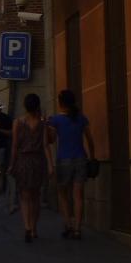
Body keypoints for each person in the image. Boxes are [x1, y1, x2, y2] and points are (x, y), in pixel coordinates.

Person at [47, 89, 95, 239]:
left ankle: (68, 224)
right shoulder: (82, 119)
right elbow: (90, 140)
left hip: (64, 160)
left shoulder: (56, 120)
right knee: (78, 196)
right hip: (81, 159)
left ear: (61, 103)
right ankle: (78, 229)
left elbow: (51, 140)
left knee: (63, 194)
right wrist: (92, 157)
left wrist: (47, 126)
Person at [9, 93, 51, 242]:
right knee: (36, 196)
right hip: (38, 161)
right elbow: (45, 145)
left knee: (24, 196)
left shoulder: (18, 122)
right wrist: (50, 165)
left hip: (23, 160)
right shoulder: (42, 123)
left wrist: (12, 164)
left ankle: (27, 227)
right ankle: (33, 228)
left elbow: (15, 146)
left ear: (25, 106)